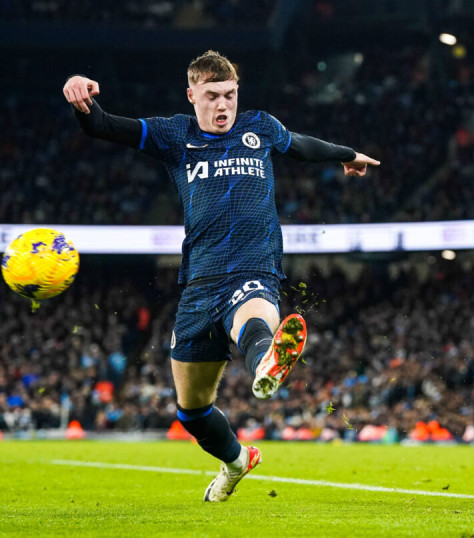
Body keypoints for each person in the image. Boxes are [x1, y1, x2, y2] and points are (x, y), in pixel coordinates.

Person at [63, 50, 380, 502]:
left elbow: (300, 144)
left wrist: (345, 155)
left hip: (255, 267)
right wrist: (82, 100)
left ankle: (268, 360)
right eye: (212, 96)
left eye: (230, 94)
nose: (223, 105)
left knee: (251, 316)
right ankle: (236, 461)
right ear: (192, 95)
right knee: (191, 412)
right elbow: (106, 126)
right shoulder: (176, 134)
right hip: (199, 283)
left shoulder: (260, 127)